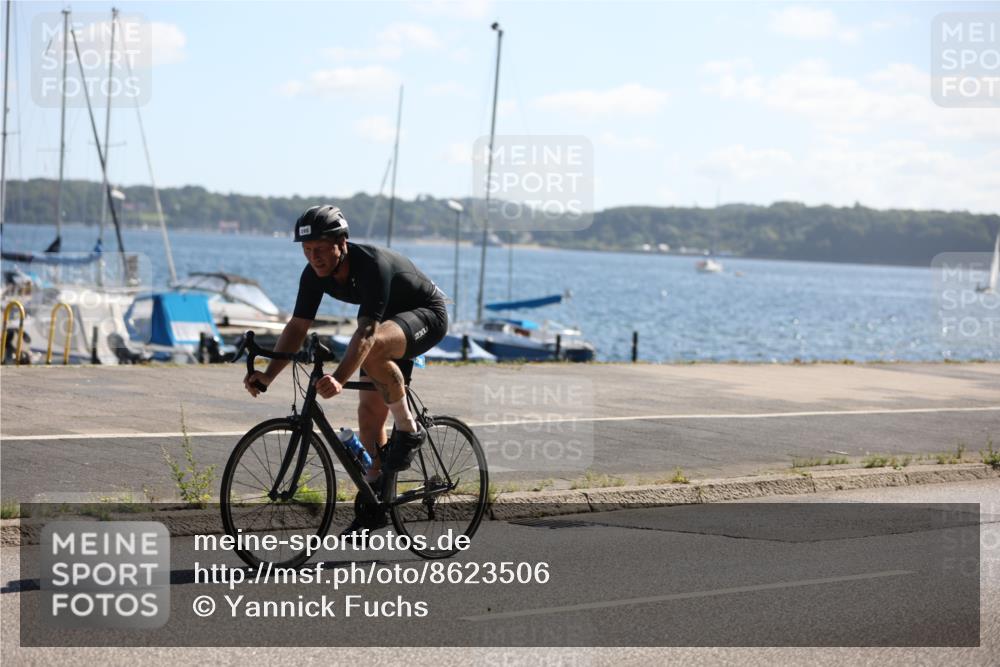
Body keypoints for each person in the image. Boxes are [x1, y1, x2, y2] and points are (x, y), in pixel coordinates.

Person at [243, 205, 449, 526]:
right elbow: (297, 327)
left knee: (373, 348)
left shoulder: (371, 265)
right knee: (368, 416)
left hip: (425, 314)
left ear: (342, 243)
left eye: (321, 249)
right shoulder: (313, 274)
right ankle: (378, 500)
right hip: (385, 323)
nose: (314, 257)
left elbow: (366, 334)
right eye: (307, 250)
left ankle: (409, 430)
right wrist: (268, 374)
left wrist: (339, 378)